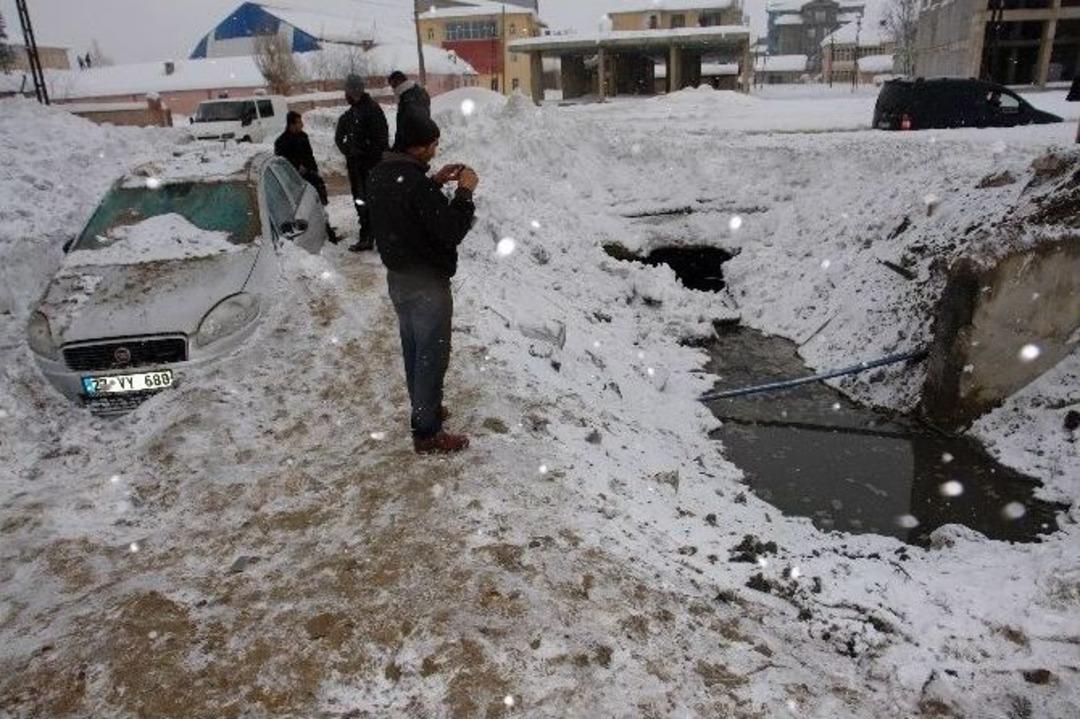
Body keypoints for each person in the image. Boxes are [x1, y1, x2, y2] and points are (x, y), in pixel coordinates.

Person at [368, 113, 478, 454]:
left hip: (399, 278)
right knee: (432, 354)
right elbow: (451, 230)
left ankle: (425, 408)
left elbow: (406, 206)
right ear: (419, 147)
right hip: (426, 281)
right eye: (433, 145)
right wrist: (464, 193)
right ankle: (428, 433)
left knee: (414, 348)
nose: (435, 150)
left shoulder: (380, 174)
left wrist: (432, 182)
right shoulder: (413, 183)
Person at [335, 74, 389, 252]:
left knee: (374, 202)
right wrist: (349, 152)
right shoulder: (350, 115)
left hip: (370, 168)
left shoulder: (372, 111)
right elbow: (339, 137)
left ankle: (376, 237)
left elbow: (381, 141)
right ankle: (368, 236)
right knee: (361, 202)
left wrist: (366, 158)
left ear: (353, 91)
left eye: (347, 91)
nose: (345, 95)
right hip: (357, 168)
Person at [274, 111, 338, 243]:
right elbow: (282, 163)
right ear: (291, 124)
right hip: (293, 183)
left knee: (318, 204)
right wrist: (297, 168)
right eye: (299, 122)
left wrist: (314, 170)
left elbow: (310, 156)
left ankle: (328, 230)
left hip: (310, 177)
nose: (302, 125)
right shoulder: (281, 142)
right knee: (302, 210)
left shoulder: (303, 136)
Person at [387, 70, 431, 150]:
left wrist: (398, 148)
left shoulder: (407, 99)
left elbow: (405, 127)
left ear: (398, 82)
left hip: (414, 147)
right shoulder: (417, 91)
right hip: (421, 143)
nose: (393, 90)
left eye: (393, 86)